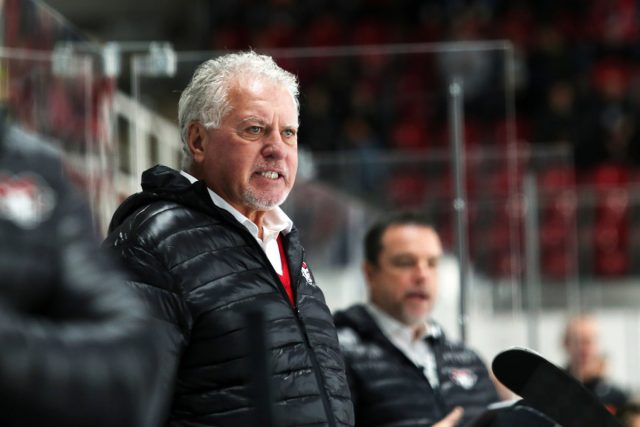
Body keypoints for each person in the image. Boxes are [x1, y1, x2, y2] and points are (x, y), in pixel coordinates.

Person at [103, 51, 354, 426]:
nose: (277, 148)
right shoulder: (152, 244)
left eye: (288, 133)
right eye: (254, 130)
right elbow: (117, 407)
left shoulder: (283, 241)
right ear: (198, 140)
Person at [0, 112, 162, 426]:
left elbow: (134, 362)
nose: (265, 147)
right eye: (252, 129)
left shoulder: (35, 171)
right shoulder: (160, 233)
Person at [334, 212, 499, 427]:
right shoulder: (335, 355)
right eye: (405, 263)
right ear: (370, 273)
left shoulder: (467, 359)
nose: (422, 275)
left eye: (432, 263)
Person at [563, 313, 629, 414]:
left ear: (597, 344)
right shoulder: (555, 391)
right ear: (566, 343)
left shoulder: (617, 398)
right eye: (578, 342)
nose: (584, 350)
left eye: (588, 342)